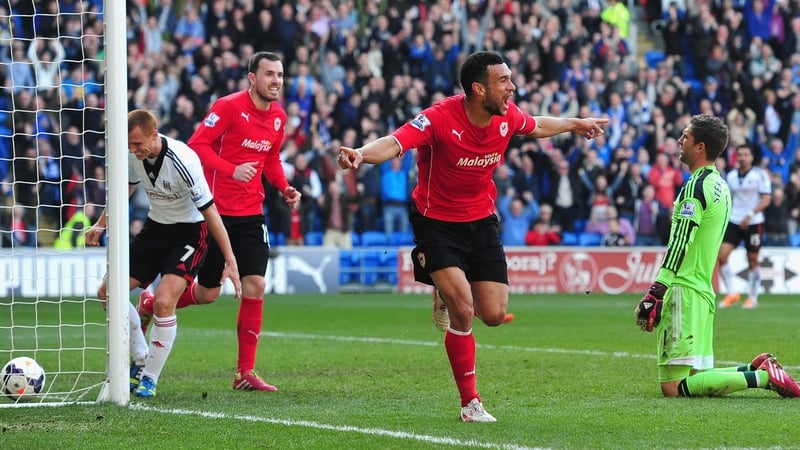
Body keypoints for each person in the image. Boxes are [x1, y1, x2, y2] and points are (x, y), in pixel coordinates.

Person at [338, 51, 608, 422]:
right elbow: (397, 141)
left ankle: (445, 290)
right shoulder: (438, 117)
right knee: (464, 309)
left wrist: (576, 123)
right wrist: (360, 154)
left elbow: (536, 125)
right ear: (479, 89)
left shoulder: (505, 117)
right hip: (435, 222)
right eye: (504, 81)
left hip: (481, 221)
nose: (512, 87)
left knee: (493, 315)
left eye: (511, 79)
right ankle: (471, 403)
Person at [142, 51, 301, 393]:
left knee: (255, 285)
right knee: (208, 293)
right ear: (252, 78)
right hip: (214, 214)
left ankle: (245, 372)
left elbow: (270, 158)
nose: (276, 80)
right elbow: (197, 146)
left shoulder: (278, 117)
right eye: (270, 74)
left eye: (280, 74)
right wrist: (231, 170)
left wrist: (284, 187)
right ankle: (151, 304)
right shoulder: (228, 107)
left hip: (251, 215)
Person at [634, 114, 800, 399]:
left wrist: (657, 290)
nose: (679, 140)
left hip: (683, 292)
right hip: (702, 292)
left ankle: (761, 377)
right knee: (696, 378)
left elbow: (680, 241)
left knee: (673, 387)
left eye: (685, 136)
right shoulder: (721, 186)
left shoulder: (695, 187)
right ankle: (756, 367)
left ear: (700, 147)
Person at [86, 109, 242, 398]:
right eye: (129, 145)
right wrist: (100, 224)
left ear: (154, 135)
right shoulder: (135, 158)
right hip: (155, 229)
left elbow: (211, 213)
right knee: (107, 293)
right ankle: (141, 354)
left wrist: (230, 260)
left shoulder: (183, 161)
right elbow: (124, 191)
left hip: (190, 234)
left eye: (137, 144)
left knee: (164, 301)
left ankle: (150, 378)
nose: (133, 150)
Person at [717, 144, 772, 309]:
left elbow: (766, 199)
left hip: (754, 222)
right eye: (739, 154)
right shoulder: (731, 176)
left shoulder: (759, 175)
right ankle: (732, 293)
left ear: (751, 157)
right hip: (734, 220)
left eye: (746, 154)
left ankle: (753, 298)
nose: (742, 157)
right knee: (722, 255)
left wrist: (750, 215)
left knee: (753, 260)